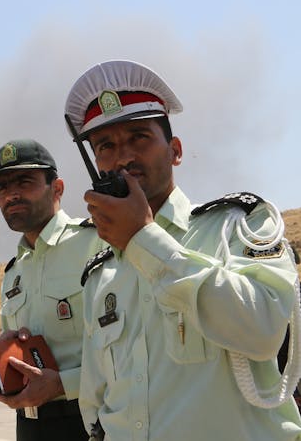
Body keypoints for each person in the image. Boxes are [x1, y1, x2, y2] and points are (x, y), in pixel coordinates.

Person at [65, 59, 301, 440]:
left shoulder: (239, 227)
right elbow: (97, 404)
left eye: (139, 137)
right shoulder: (100, 276)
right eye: (106, 146)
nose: (122, 157)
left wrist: (143, 239)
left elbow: (263, 331)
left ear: (175, 151)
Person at [0, 139, 103, 441]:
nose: (12, 194)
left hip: (90, 421)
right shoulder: (14, 272)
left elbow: (132, 347)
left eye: (24, 182)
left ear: (57, 188)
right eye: (3, 187)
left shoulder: (96, 243)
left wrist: (62, 384)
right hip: (29, 424)